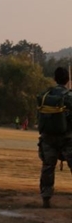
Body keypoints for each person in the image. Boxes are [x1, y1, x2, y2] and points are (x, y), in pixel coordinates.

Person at [36, 66, 72, 208]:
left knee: (48, 167)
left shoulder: (46, 96)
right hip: (68, 138)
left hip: (48, 138)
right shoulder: (68, 96)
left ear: (54, 79)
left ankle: (46, 197)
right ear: (68, 79)